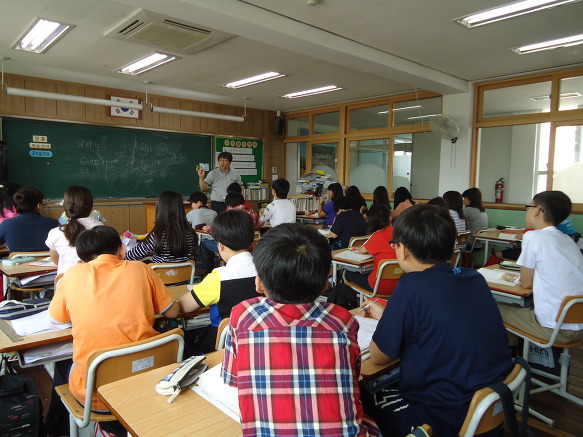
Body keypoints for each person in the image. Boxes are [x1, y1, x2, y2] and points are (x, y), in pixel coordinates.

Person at [360, 204, 512, 436]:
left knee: (362, 393)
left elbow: (380, 356)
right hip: (491, 406)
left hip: (442, 419)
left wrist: (387, 323)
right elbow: (445, 319)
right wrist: (387, 315)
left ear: (403, 250)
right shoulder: (474, 278)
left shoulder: (411, 286)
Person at [221, 223, 380, 436]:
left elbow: (233, 379)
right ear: (326, 282)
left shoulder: (242, 315)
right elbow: (354, 374)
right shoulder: (342, 320)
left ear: (258, 283)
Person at [47, 226, 179, 434]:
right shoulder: (141, 269)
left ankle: (57, 429)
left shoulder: (71, 275)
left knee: (63, 362)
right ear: (121, 250)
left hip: (97, 395)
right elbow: (172, 312)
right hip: (151, 378)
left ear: (81, 256)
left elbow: (56, 319)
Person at [498, 191, 583, 345]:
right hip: (578, 324)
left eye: (528, 207)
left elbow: (526, 283)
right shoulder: (567, 240)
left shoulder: (533, 236)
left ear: (537, 210)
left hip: (556, 328)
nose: (528, 211)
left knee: (494, 307)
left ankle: (508, 359)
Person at [178, 210, 257, 353]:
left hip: (221, 347)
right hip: (257, 342)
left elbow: (183, 306)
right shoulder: (267, 272)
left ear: (220, 246)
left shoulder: (218, 278)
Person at [125, 190, 197, 263]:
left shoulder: (157, 235)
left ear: (161, 210)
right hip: (185, 273)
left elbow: (130, 256)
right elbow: (192, 253)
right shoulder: (191, 233)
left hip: (159, 274)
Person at [45, 185, 102, 275]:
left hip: (65, 284)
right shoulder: (101, 230)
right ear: (91, 206)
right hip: (94, 284)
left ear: (65, 206)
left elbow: (56, 260)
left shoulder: (55, 233)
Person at [344, 204, 399, 296]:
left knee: (348, 274)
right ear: (389, 217)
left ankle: (354, 302)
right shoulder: (401, 232)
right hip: (399, 285)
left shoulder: (377, 236)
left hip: (378, 286)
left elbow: (360, 251)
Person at [0, 187, 58, 253]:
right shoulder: (54, 223)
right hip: (49, 261)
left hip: (18, 262)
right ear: (39, 205)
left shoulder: (6, 224)